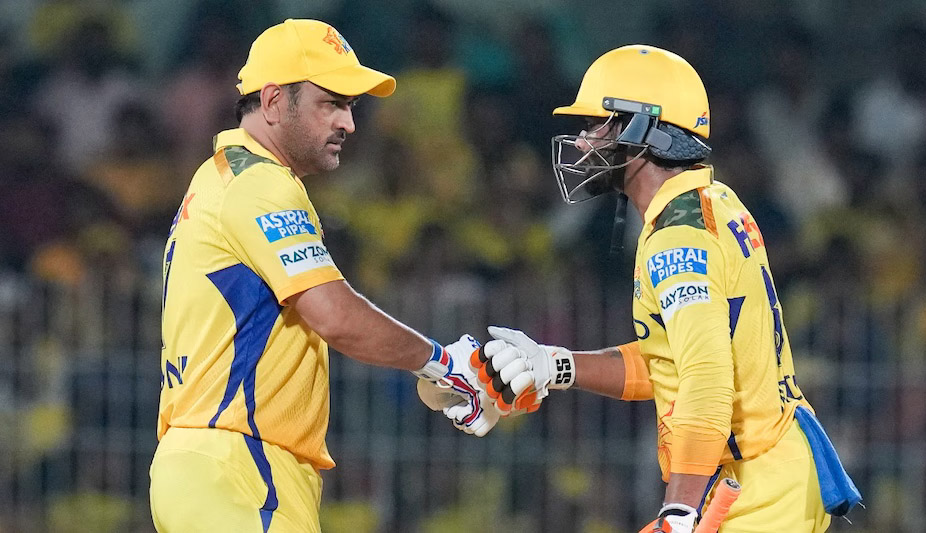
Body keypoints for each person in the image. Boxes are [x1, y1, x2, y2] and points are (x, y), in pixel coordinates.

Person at [468, 45, 860, 532]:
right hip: (767, 472)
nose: (584, 142)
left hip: (754, 489)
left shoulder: (678, 237)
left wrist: (679, 511)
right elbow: (672, 360)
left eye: (596, 124)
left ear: (641, 128)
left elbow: (706, 378)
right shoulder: (712, 200)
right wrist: (557, 365)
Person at [149, 19, 497, 532]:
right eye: (330, 103)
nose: (348, 123)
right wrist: (443, 363)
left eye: (350, 106)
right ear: (273, 102)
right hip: (239, 466)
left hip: (222, 467)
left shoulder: (224, 177)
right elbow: (334, 315)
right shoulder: (260, 184)